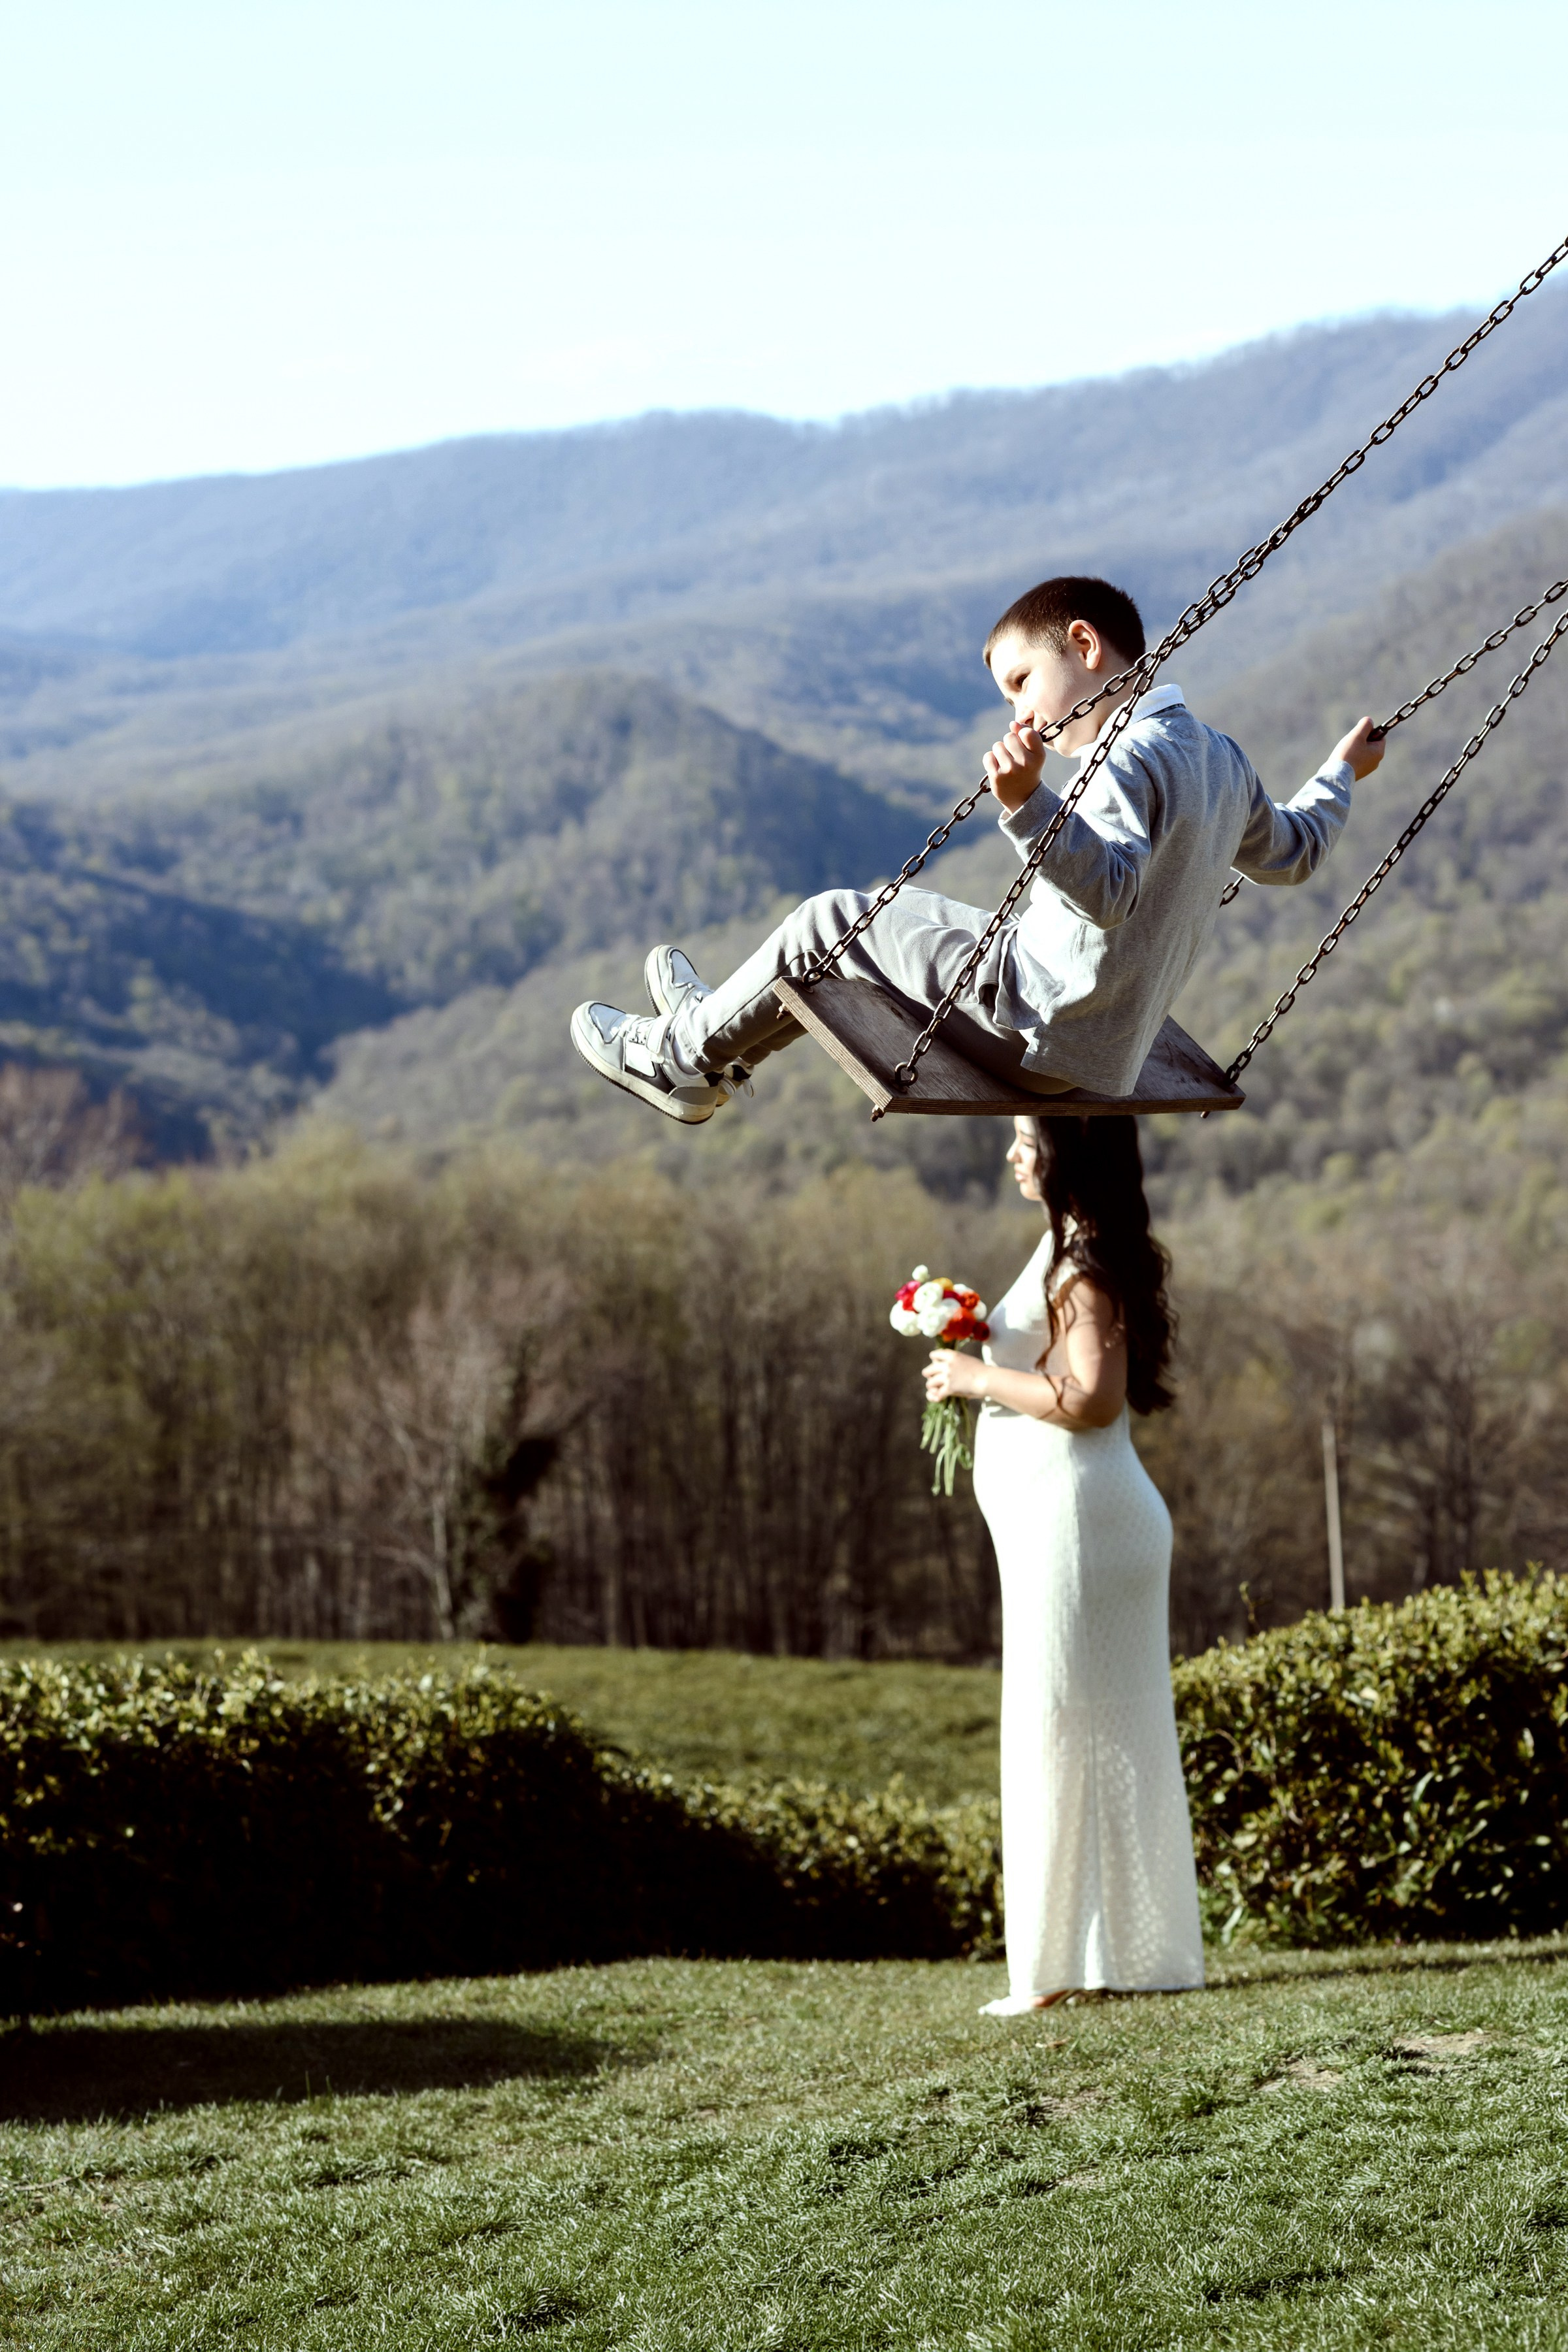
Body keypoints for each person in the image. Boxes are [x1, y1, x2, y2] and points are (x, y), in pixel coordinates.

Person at [568, 574, 1386, 1120]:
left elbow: (1108, 892)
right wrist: (1342, 771)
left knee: (832, 922)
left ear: (1085, 645)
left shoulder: (1127, 757)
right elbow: (1296, 851)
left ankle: (678, 1057)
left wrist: (1028, 802)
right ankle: (721, 1033)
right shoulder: (1221, 757)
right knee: (910, 916)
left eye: (1022, 682)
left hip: (1029, 1024)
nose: (1019, 716)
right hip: (1090, 1039)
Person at [922, 1112, 1202, 2011]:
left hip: (1082, 1527)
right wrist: (968, 1329)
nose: (1011, 1153)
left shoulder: (1081, 1265)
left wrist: (975, 1381)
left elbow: (1088, 1399)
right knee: (1088, 1731)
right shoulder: (1068, 1248)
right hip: (1070, 1526)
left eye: (1025, 1138)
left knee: (1060, 1726)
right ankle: (1112, 1958)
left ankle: (1054, 1973)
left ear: (1067, 1151)